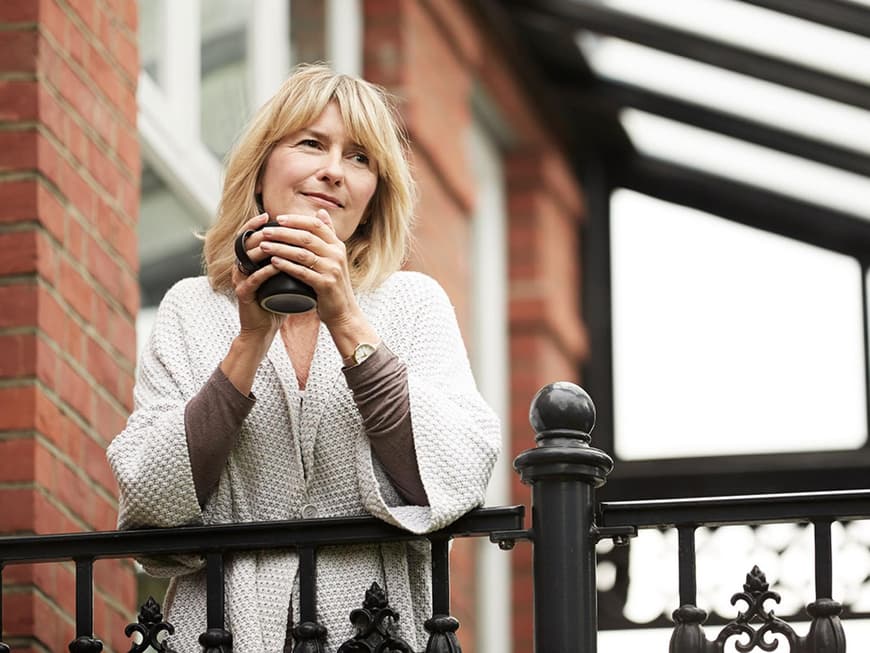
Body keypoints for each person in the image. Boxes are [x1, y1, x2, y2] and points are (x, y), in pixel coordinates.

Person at [106, 63, 500, 652]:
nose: (333, 171)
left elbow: (456, 471)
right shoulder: (191, 309)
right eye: (312, 144)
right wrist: (249, 341)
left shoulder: (412, 302)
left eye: (360, 158)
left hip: (373, 632)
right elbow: (149, 495)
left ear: (371, 201)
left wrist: (344, 317)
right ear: (261, 170)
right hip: (219, 633)